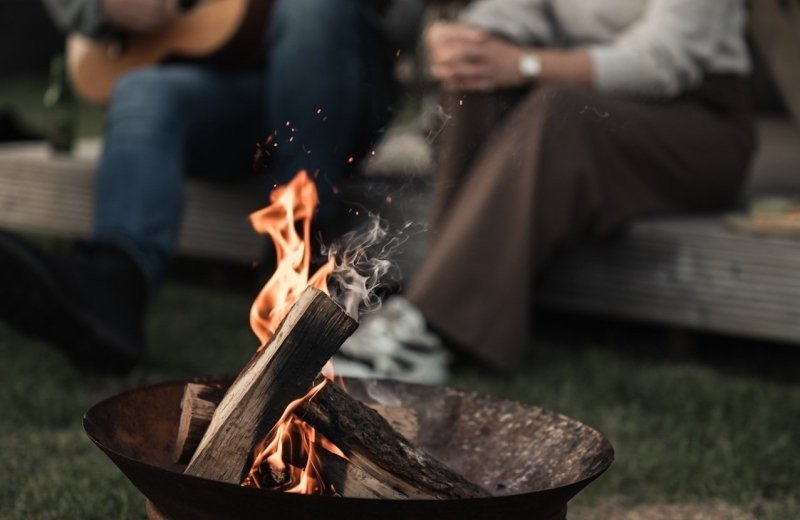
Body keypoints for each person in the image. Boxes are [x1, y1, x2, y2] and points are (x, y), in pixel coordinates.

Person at [333, 0, 757, 384]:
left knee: (560, 111)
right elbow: (511, 14)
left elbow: (664, 62)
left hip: (698, 125)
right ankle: (435, 311)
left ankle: (428, 323)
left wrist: (527, 64)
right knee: (475, 78)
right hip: (591, 98)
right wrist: (465, 41)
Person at [0, 0, 421, 373]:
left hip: (339, 86)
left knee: (311, 8)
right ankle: (114, 285)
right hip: (230, 88)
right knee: (143, 90)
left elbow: (412, 20)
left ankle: (300, 256)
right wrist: (98, 8)